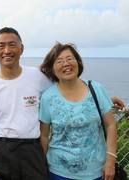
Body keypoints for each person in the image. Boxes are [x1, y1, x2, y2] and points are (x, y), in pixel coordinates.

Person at [0, 27, 51, 180]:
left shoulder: (37, 77)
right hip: (1, 150)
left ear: (21, 48)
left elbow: (59, 94)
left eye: (12, 45)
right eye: (1, 46)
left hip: (32, 149)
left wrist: (88, 95)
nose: (7, 50)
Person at [39, 42, 117, 180]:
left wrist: (110, 161)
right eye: (59, 61)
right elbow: (44, 135)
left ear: (78, 62)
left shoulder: (97, 89)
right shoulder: (47, 97)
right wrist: (42, 167)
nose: (66, 64)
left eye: (70, 59)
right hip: (58, 172)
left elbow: (110, 125)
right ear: (52, 68)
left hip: (97, 172)